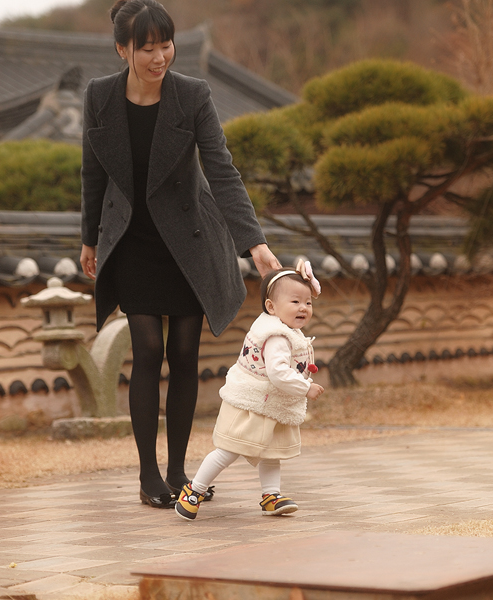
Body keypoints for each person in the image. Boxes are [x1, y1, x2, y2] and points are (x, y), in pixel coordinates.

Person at [80, 0, 281, 509]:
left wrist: (254, 242)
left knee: (185, 353)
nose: (159, 57)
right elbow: (92, 172)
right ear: (122, 49)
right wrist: (89, 239)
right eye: (146, 48)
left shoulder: (192, 95)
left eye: (166, 45)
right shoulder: (100, 96)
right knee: (147, 350)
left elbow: (222, 169)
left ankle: (177, 470)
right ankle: (149, 474)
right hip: (132, 242)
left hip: (188, 240)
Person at [175, 261, 325, 520]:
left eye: (308, 302)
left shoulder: (284, 330)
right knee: (228, 450)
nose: (303, 307)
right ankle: (194, 490)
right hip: (253, 403)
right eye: (295, 302)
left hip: (271, 405)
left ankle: (271, 496)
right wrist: (305, 388)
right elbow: (278, 373)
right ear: (271, 307)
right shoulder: (277, 337)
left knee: (272, 452)